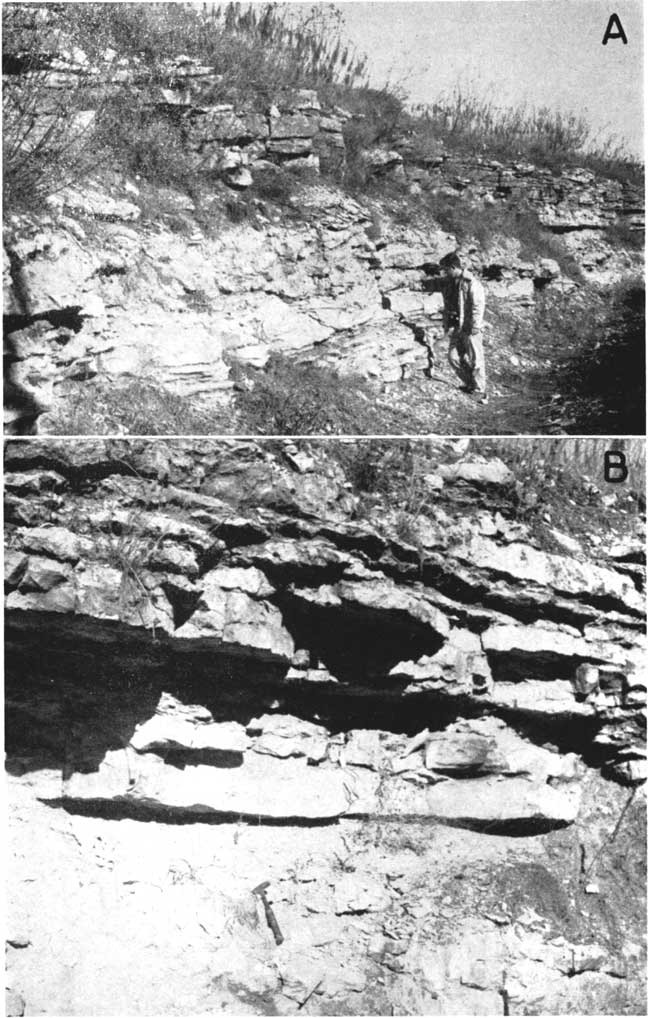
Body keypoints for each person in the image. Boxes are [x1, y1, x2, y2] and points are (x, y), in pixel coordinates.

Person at [439, 251, 488, 404]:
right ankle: (471, 384)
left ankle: (480, 391)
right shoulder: (450, 281)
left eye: (446, 269)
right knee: (453, 357)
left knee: (476, 360)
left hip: (471, 328)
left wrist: (475, 325)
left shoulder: (471, 283)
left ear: (454, 267)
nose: (444, 272)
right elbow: (433, 284)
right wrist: (414, 285)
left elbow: (478, 305)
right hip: (457, 326)